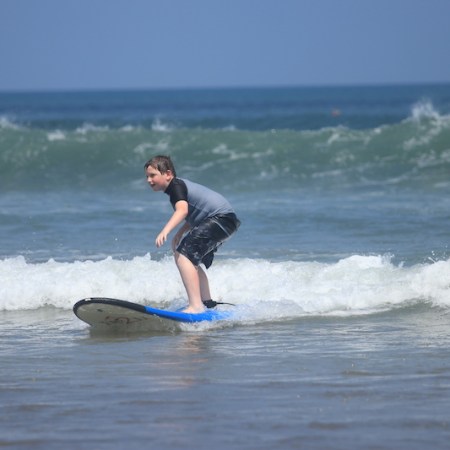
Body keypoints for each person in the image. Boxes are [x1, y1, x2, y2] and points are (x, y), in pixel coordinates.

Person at [145, 155, 240, 313]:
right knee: (189, 258)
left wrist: (166, 231)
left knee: (184, 256)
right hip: (225, 221)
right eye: (147, 176)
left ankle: (196, 306)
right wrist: (180, 233)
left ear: (167, 174)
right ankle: (206, 302)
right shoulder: (178, 187)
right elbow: (196, 212)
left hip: (221, 219)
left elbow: (183, 211)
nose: (148, 180)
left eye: (153, 175)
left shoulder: (176, 186)